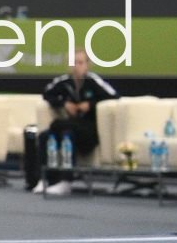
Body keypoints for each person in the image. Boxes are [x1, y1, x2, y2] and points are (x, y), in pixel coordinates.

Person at [34, 48, 118, 195]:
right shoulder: (64, 82)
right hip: (70, 126)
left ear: (87, 65)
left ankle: (66, 182)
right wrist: (63, 103)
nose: (77, 66)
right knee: (45, 136)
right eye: (74, 62)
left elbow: (114, 96)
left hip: (89, 131)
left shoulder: (94, 81)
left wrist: (90, 104)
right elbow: (47, 93)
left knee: (63, 130)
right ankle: (46, 179)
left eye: (80, 62)